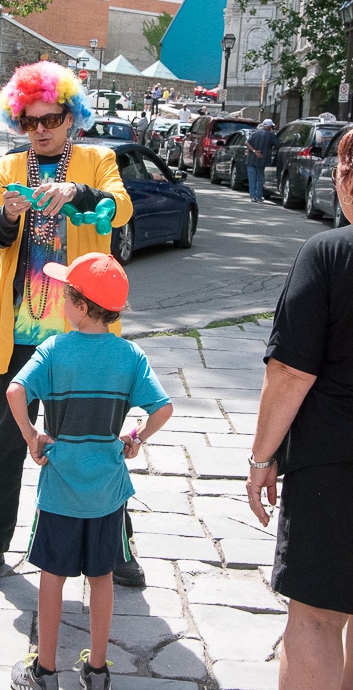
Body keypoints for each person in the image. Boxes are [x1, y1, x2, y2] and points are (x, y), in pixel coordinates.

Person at [0, 60, 136, 586]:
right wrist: (9, 217)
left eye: (51, 118)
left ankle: (119, 548)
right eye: (30, 121)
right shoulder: (4, 170)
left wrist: (80, 193)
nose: (40, 129)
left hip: (86, 330)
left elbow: (120, 207)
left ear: (71, 117)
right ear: (19, 121)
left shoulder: (97, 158)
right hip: (21, 331)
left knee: (101, 444)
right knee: (8, 440)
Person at [7, 253, 173, 690]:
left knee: (51, 577)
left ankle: (44, 671)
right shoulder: (130, 355)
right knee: (101, 579)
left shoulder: (55, 349)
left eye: (65, 295)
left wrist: (31, 437)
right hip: (107, 491)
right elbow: (164, 408)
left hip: (60, 488)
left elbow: (15, 390)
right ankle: (97, 670)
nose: (61, 301)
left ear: (81, 306)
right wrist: (135, 437)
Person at [247, 126, 353, 690]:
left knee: (315, 616)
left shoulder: (331, 252)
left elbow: (289, 371)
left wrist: (262, 456)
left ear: (345, 179)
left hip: (336, 466)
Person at [244, 118, 279, 203]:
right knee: (260, 179)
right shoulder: (271, 135)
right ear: (269, 126)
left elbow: (246, 142)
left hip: (251, 159)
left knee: (252, 179)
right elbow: (278, 145)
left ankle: (253, 196)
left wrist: (254, 151)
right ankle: (259, 196)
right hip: (262, 160)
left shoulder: (256, 133)